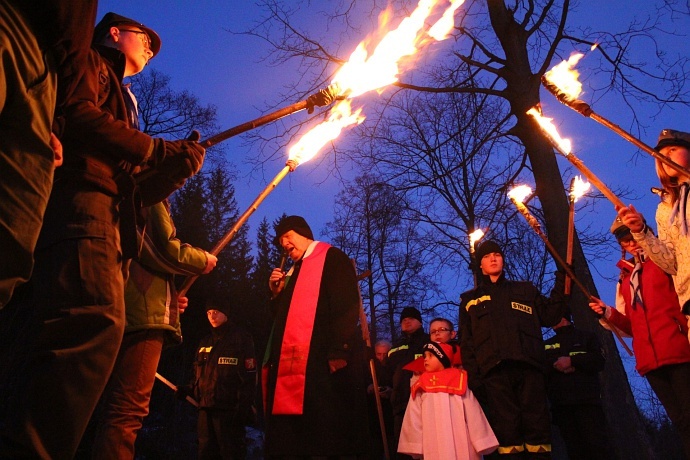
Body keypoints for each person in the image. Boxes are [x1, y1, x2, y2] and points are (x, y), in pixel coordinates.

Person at [0, 12, 206, 458]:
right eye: (144, 38)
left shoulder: (125, 98)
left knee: (88, 332)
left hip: (111, 220)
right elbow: (79, 117)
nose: (151, 48)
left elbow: (133, 189)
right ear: (114, 32)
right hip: (80, 207)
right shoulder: (91, 64)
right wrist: (154, 148)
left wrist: (174, 171)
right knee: (91, 320)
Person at [90, 199, 218, 459]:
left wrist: (170, 298)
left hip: (126, 308)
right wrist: (202, 260)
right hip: (141, 318)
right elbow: (162, 248)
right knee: (127, 411)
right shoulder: (150, 193)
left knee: (111, 409)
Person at [0, 0, 97, 311]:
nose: (149, 50)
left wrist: (54, 121)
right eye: (145, 40)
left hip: (47, 76)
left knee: (11, 242)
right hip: (20, 25)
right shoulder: (98, 70)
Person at [264, 215, 369, 458]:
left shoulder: (331, 258)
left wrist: (339, 350)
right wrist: (276, 295)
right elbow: (282, 321)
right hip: (295, 370)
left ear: (303, 233)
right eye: (281, 242)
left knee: (323, 432)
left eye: (287, 237)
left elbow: (346, 304)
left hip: (323, 364)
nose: (284, 245)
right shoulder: (293, 272)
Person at [589, 217, 690, 457]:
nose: (632, 244)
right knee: (680, 422)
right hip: (650, 360)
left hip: (678, 348)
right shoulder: (625, 278)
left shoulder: (664, 263)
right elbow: (630, 326)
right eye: (626, 241)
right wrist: (607, 313)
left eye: (634, 238)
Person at [459, 240, 567, 458]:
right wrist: (475, 378)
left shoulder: (524, 290)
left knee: (537, 427)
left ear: (503, 260)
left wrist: (563, 278)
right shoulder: (470, 300)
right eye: (487, 256)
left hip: (530, 369)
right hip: (494, 373)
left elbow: (550, 315)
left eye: (497, 255)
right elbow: (467, 342)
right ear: (480, 265)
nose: (493, 258)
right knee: (507, 432)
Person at [617, 128, 690, 314]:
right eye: (662, 154)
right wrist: (641, 231)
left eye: (673, 149)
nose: (667, 157)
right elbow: (671, 264)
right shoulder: (665, 209)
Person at [177, 304, 257, 460]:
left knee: (230, 453)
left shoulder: (241, 339)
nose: (212, 316)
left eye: (216, 312)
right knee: (205, 453)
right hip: (205, 410)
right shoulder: (205, 342)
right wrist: (187, 389)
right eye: (208, 312)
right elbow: (198, 374)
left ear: (225, 313)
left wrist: (243, 407)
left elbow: (249, 377)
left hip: (229, 412)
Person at [398, 341, 498, 459]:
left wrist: (481, 440)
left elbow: (473, 412)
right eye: (424, 356)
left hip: (461, 436)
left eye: (430, 355)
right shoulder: (421, 384)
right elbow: (414, 415)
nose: (425, 359)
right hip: (432, 438)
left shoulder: (459, 380)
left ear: (442, 359)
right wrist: (415, 444)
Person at [543, 314, 613, 460]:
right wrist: (557, 366)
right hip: (562, 406)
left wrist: (573, 362)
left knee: (598, 447)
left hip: (588, 404)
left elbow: (598, 360)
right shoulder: (546, 344)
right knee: (574, 450)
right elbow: (541, 367)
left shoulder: (586, 337)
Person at [388, 306, 429, 459]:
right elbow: (388, 373)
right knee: (403, 449)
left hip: (424, 403)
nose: (407, 321)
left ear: (419, 322)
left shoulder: (428, 343)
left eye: (411, 318)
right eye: (404, 320)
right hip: (401, 404)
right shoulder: (394, 348)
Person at [367, 340, 394, 459]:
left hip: (390, 412)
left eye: (385, 354)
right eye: (379, 354)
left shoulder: (393, 366)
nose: (382, 357)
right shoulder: (370, 366)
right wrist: (369, 388)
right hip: (374, 413)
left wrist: (391, 391)